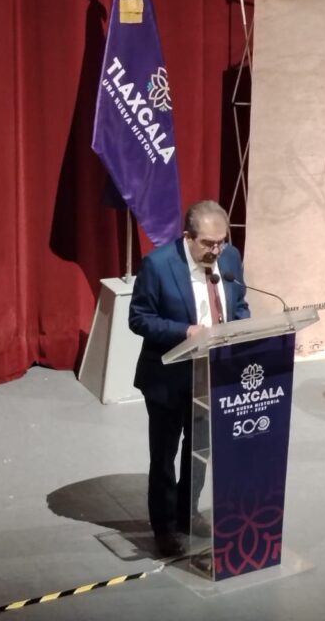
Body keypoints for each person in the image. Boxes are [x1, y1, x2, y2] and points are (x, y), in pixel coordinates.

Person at [128, 200, 250, 557]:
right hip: (168, 377)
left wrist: (241, 328)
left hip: (213, 373)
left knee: (199, 450)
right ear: (188, 237)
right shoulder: (158, 265)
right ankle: (164, 527)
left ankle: (187, 512)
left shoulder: (230, 258)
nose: (216, 251)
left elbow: (239, 303)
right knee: (164, 456)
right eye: (208, 243)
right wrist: (185, 331)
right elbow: (139, 318)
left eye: (221, 242)